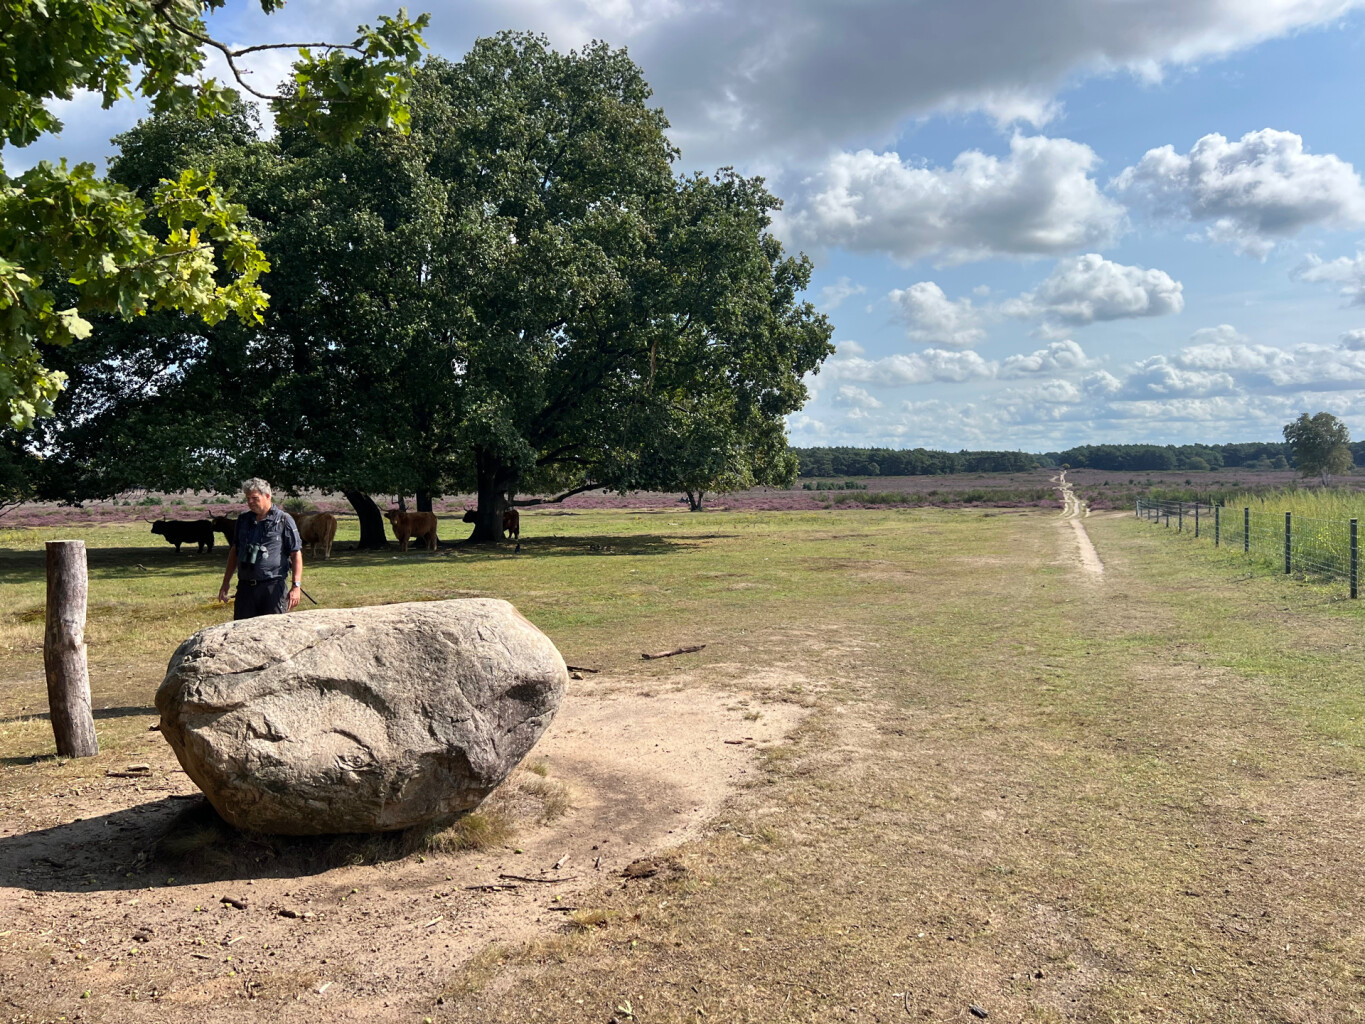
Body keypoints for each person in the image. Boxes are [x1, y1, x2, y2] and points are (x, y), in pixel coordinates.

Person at [217, 478, 304, 619]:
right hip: (245, 587)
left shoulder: (284, 520)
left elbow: (296, 554)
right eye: (248, 498)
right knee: (242, 630)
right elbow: (235, 551)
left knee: (273, 631)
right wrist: (225, 582)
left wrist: (296, 586)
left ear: (267, 496)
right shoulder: (243, 520)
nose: (250, 502)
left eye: (254, 498)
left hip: (272, 587)